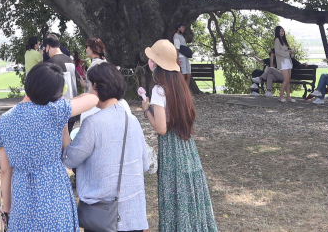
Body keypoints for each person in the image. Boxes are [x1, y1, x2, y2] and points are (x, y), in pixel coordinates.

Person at [0, 61, 100, 231]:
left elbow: (5, 171)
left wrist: (7, 210)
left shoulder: (4, 120)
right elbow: (93, 98)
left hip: (22, 198)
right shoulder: (55, 111)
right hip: (54, 192)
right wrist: (62, 102)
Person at [140, 39, 218, 232]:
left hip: (172, 151)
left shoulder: (159, 90)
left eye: (151, 60)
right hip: (187, 147)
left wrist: (146, 110)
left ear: (156, 65)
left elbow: (161, 128)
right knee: (189, 195)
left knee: (174, 195)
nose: (149, 63)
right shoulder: (181, 86)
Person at [63, 63, 150, 232]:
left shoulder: (93, 123)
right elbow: (145, 164)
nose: (88, 90)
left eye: (89, 85)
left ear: (96, 86)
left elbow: (69, 159)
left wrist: (64, 123)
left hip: (102, 217)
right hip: (134, 215)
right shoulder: (132, 120)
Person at [272, 26, 294, 102]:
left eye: (283, 31)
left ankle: (288, 96)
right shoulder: (277, 39)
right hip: (282, 61)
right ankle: (281, 96)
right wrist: (286, 53)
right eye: (280, 31)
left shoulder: (284, 40)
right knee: (286, 80)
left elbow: (287, 50)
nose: (282, 32)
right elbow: (277, 51)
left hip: (288, 61)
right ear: (277, 32)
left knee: (288, 80)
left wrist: (290, 51)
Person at [173, 23, 193, 88]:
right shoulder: (176, 36)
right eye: (182, 27)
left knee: (189, 75)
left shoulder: (181, 36)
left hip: (186, 57)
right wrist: (177, 60)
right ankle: (182, 91)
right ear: (178, 28)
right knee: (183, 74)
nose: (184, 29)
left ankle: (186, 90)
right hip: (181, 57)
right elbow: (176, 49)